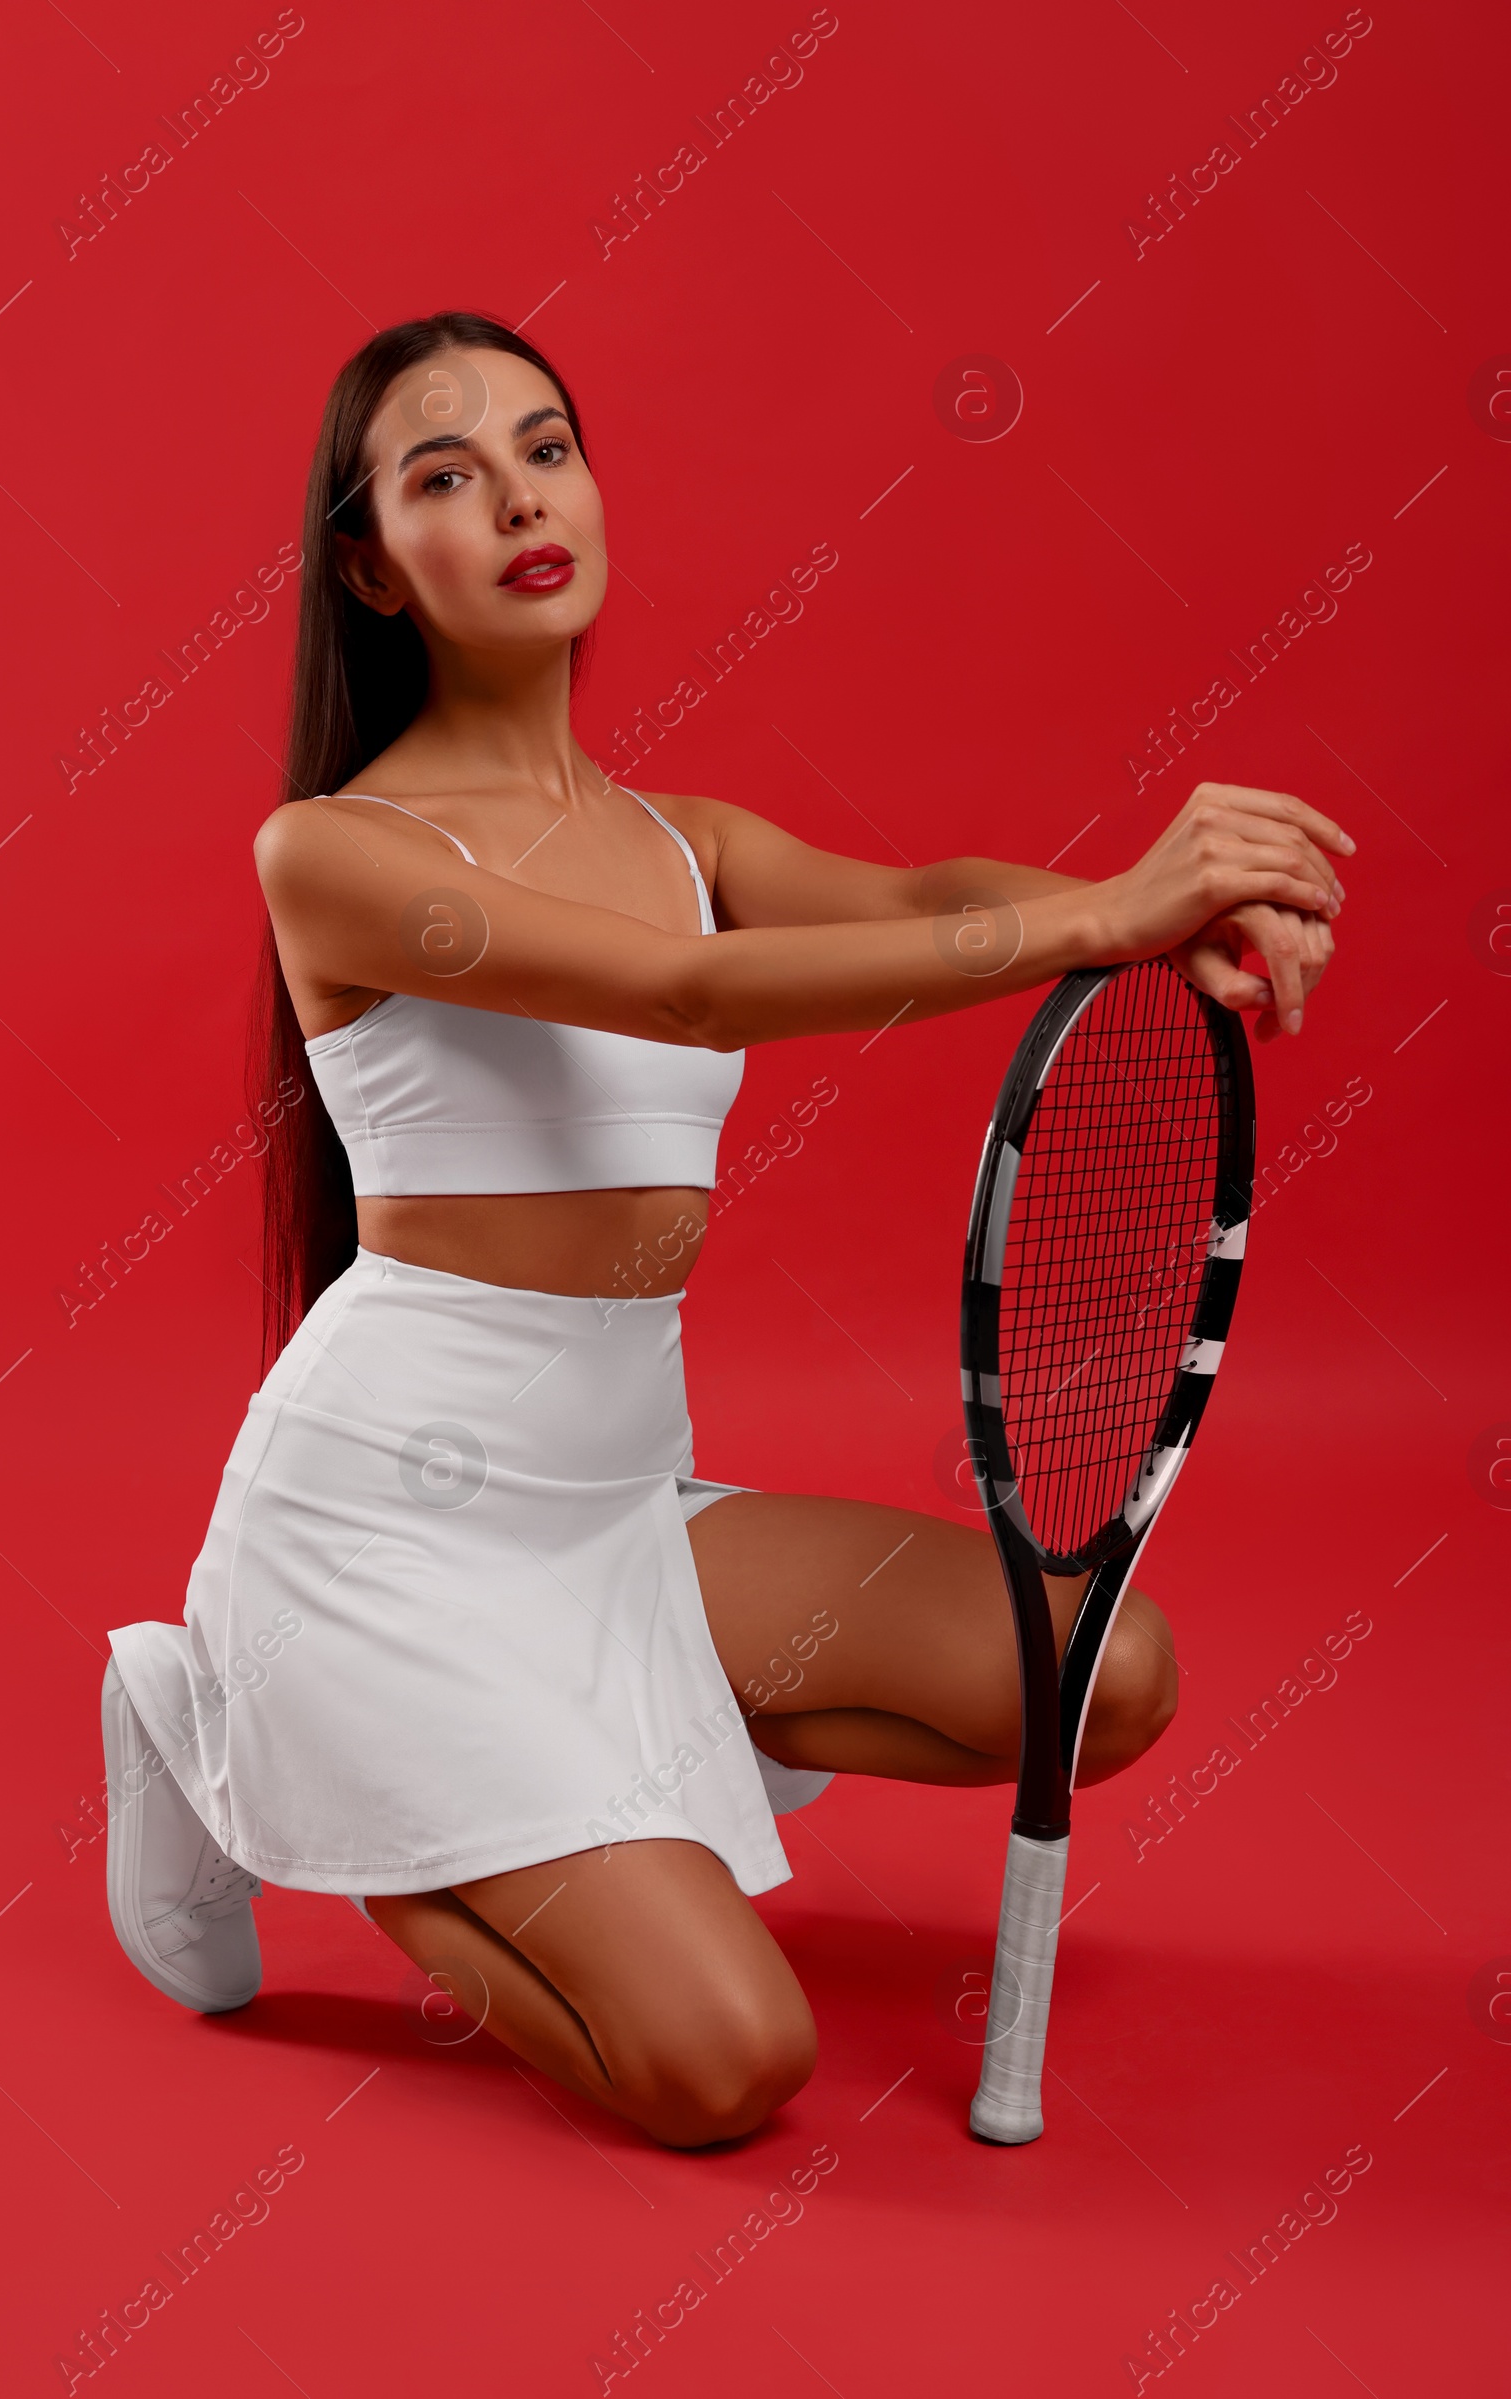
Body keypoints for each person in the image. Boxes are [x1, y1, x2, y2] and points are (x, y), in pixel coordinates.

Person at [102, 310, 1348, 2151]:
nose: (521, 494)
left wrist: (1168, 921)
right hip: (386, 1547)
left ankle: (601, 1781)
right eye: (444, 474)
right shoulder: (337, 854)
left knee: (1112, 1673)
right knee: (723, 2070)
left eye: (546, 446)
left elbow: (926, 897)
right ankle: (241, 1755)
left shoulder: (684, 833)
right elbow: (690, 997)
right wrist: (1104, 922)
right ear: (368, 564)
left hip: (620, 1512)